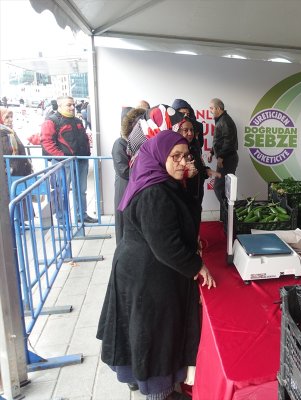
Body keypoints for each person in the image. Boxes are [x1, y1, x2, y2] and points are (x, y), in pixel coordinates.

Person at [97, 130, 216, 400]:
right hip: (148, 277)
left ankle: (156, 387)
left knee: (149, 336)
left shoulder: (158, 180)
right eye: (175, 156)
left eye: (186, 155)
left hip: (145, 271)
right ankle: (159, 394)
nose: (182, 162)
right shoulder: (155, 192)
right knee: (155, 337)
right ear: (160, 157)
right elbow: (166, 246)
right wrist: (198, 266)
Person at [40, 96, 97, 224]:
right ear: (60, 106)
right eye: (69, 105)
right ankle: (62, 220)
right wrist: (62, 157)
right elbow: (46, 142)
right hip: (63, 163)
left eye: (73, 104)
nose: (72, 107)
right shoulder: (51, 121)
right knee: (61, 192)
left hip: (81, 161)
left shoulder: (77, 120)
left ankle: (81, 215)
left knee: (81, 191)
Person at [112, 107, 146, 243]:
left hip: (137, 189)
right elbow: (124, 171)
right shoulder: (120, 143)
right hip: (125, 189)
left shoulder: (140, 144)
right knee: (123, 226)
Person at [208, 98, 238, 219]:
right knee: (225, 189)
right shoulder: (221, 120)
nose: (210, 111)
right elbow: (219, 140)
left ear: (218, 108)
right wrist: (211, 152)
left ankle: (231, 215)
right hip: (225, 158)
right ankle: (226, 217)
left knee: (219, 187)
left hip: (227, 159)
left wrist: (220, 157)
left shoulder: (225, 121)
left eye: (211, 108)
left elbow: (228, 142)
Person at [0, 107, 33, 177]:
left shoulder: (11, 132)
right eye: (7, 117)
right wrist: (11, 169)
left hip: (18, 170)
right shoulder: (3, 134)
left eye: (11, 117)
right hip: (10, 174)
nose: (11, 120)